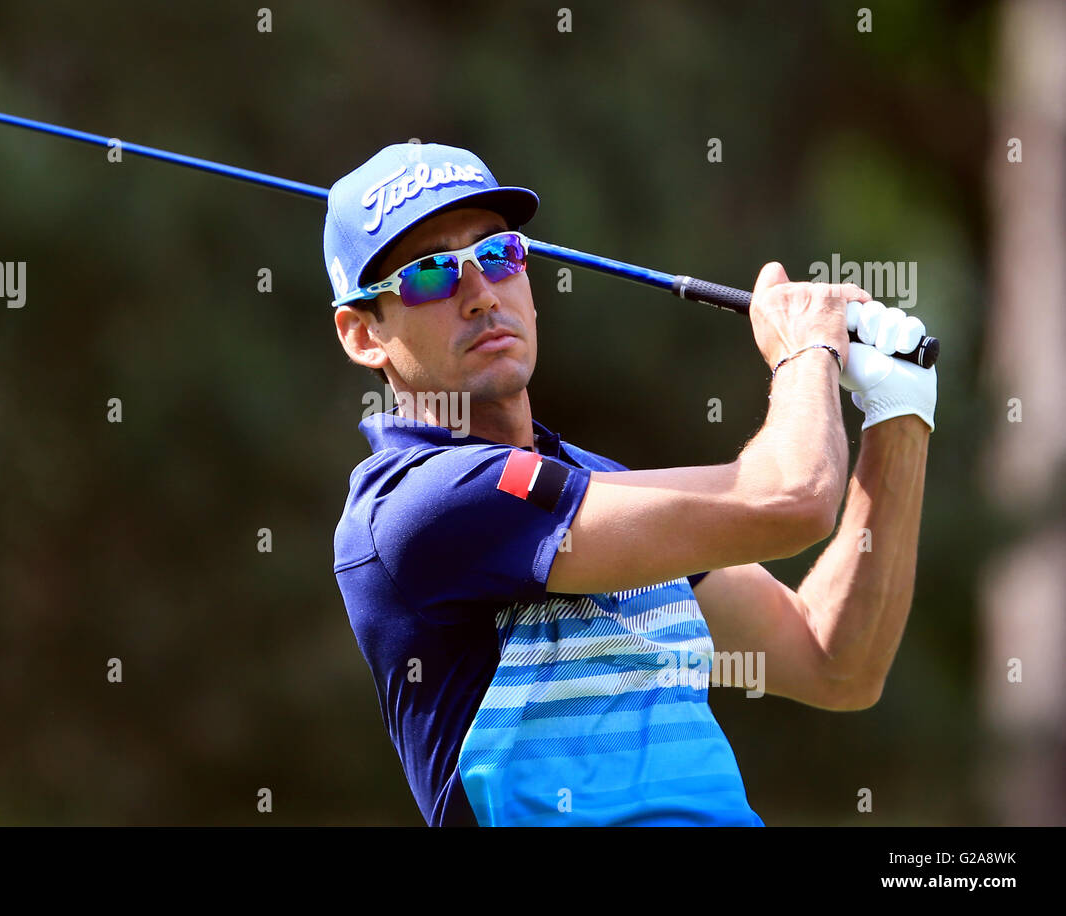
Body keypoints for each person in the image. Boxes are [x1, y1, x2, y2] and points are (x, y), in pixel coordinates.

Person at [325, 142, 936, 827]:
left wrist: (900, 415)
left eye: (498, 255)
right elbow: (791, 497)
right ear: (362, 334)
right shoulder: (418, 503)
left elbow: (834, 661)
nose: (480, 294)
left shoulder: (600, 487)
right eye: (431, 273)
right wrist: (807, 351)